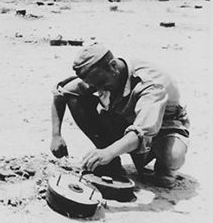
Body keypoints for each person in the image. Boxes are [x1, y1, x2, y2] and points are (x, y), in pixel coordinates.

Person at [50, 43, 190, 188]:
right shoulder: (101, 75)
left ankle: (164, 170)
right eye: (94, 86)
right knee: (75, 99)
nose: (98, 90)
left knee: (172, 155)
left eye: (102, 84)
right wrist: (56, 135)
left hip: (161, 128)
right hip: (125, 119)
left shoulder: (151, 83)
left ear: (113, 66)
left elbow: (142, 131)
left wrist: (108, 152)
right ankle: (111, 163)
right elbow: (63, 93)